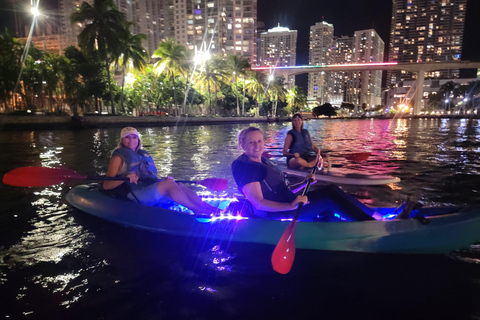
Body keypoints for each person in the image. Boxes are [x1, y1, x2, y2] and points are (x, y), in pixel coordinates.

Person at [232, 127, 379, 221]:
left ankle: (374, 216)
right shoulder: (246, 168)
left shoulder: (263, 162)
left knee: (331, 190)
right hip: (278, 214)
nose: (257, 145)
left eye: (259, 140)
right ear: (242, 145)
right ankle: (370, 224)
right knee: (329, 197)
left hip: (290, 204)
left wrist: (304, 183)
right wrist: (290, 205)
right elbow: (258, 203)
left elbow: (281, 190)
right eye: (251, 143)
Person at [103, 127, 218, 214]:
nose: (131, 140)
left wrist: (163, 182)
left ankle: (210, 208)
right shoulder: (118, 158)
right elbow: (106, 185)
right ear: (122, 140)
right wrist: (125, 178)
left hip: (147, 189)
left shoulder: (141, 155)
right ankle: (198, 210)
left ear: (138, 139)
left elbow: (148, 176)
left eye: (134, 137)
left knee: (179, 185)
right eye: (127, 137)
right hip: (135, 195)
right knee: (169, 184)